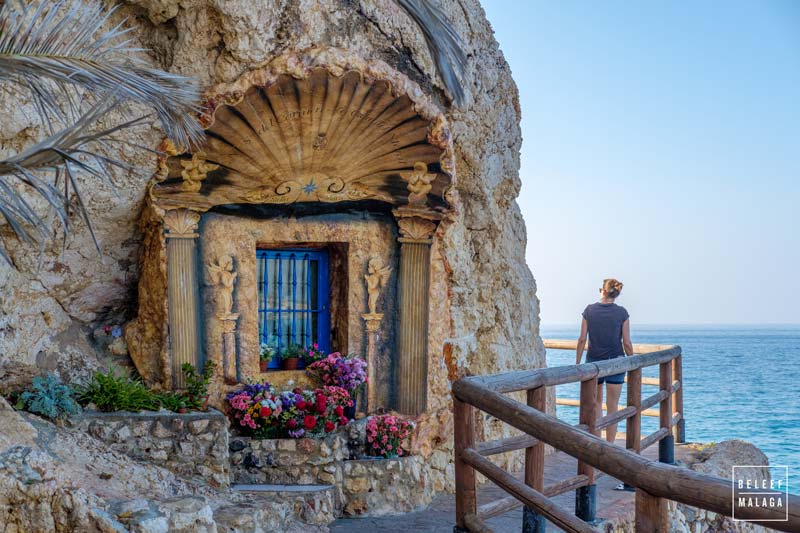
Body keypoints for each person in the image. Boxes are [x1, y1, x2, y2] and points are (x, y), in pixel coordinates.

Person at [576, 278, 634, 445]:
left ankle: (596, 442)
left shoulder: (589, 310)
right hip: (616, 362)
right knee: (612, 406)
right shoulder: (622, 313)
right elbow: (627, 342)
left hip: (594, 363)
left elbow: (581, 339)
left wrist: (578, 363)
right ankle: (610, 446)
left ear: (602, 291)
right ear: (616, 294)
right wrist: (633, 360)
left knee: (596, 404)